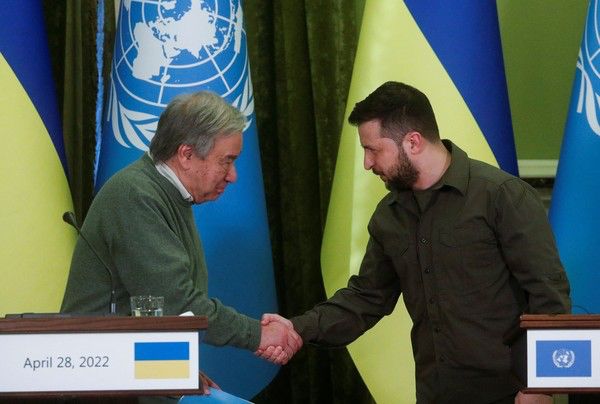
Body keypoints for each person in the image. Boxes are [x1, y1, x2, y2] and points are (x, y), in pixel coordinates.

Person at [260, 82, 571, 403]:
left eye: (373, 149)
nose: (367, 163)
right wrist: (297, 329)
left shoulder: (502, 196)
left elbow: (549, 296)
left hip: (510, 393)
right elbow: (366, 299)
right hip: (435, 393)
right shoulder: (389, 215)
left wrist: (540, 385)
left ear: (413, 142)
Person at [61, 92, 300, 391]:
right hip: (95, 380)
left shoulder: (168, 194)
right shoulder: (136, 195)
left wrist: (177, 372)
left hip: (127, 373)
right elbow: (177, 303)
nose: (233, 176)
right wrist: (258, 334)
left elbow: (151, 311)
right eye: (226, 161)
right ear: (186, 155)